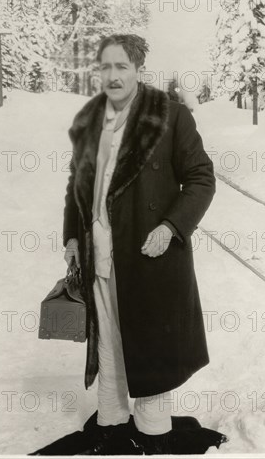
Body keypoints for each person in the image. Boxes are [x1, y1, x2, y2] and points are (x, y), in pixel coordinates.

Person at [63, 34, 216, 454]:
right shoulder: (92, 119)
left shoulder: (171, 116)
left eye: (121, 67)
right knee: (108, 342)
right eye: (106, 67)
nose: (112, 76)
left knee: (150, 346)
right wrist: (73, 237)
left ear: (138, 70)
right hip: (99, 254)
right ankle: (112, 424)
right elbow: (74, 185)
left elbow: (201, 178)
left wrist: (170, 227)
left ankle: (153, 433)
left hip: (149, 254)